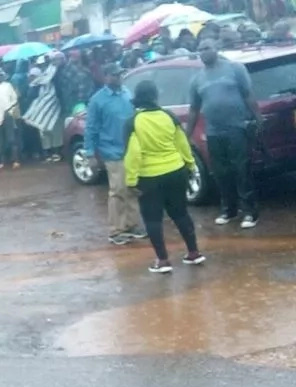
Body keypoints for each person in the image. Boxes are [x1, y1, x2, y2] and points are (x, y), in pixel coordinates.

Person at [124, 80, 205, 274]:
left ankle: (162, 260)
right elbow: (182, 143)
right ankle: (193, 253)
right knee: (181, 213)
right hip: (176, 172)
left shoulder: (133, 122)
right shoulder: (169, 116)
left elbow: (133, 153)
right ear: (154, 96)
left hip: (149, 177)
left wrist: (131, 180)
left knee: (153, 219)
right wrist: (191, 165)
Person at [186, 39, 262, 229]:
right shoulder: (197, 79)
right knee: (221, 173)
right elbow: (194, 109)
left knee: (241, 170)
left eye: (207, 47)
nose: (203, 52)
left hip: (237, 128)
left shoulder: (235, 69)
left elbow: (248, 95)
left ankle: (250, 212)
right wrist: (186, 135)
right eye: (200, 49)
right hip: (213, 132)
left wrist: (258, 118)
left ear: (216, 49)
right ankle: (229, 210)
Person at [85, 63, 142, 245]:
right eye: (114, 75)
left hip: (130, 150)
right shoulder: (97, 100)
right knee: (118, 190)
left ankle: (132, 225)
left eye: (120, 74)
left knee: (132, 188)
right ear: (105, 77)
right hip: (112, 151)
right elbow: (91, 128)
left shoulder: (127, 93)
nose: (118, 77)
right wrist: (90, 154)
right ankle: (116, 230)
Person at [24, 58, 63, 162]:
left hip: (53, 109)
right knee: (44, 133)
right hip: (41, 113)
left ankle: (56, 152)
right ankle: (49, 153)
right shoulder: (36, 85)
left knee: (54, 131)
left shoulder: (52, 78)